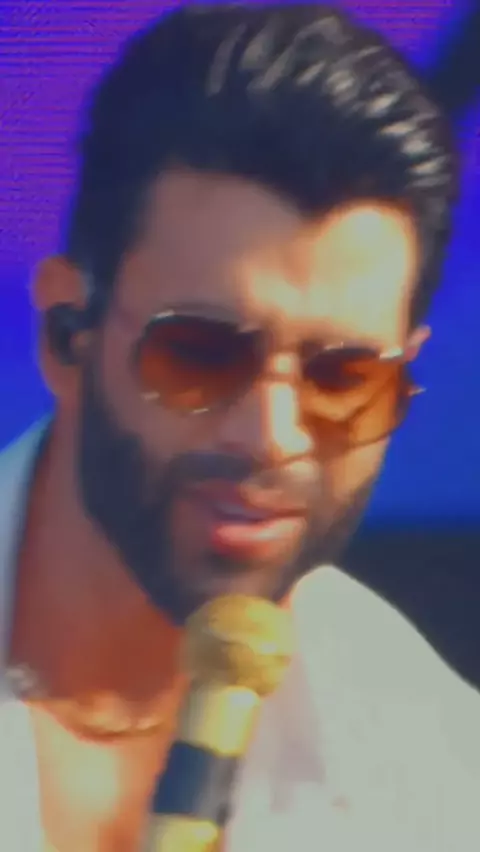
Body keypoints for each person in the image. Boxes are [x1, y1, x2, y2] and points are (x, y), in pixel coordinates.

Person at [1, 4, 479, 850]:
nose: (270, 437)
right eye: (200, 354)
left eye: (343, 377)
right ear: (66, 333)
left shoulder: (438, 775)